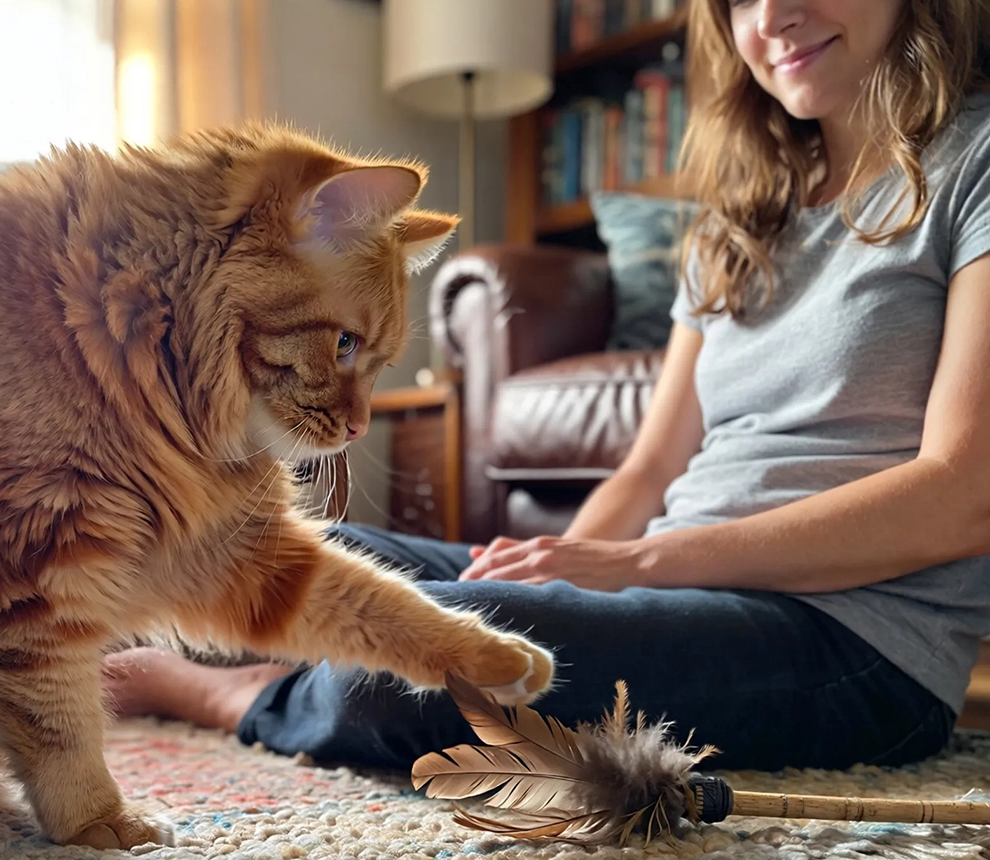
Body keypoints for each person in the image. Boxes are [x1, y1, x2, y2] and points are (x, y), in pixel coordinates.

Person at [102, 0, 990, 774]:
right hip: (680, 588)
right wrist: (567, 572)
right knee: (288, 551)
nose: (773, 17)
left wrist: (633, 565)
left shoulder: (973, 165)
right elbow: (647, 477)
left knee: (439, 651)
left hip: (856, 641)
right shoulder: (737, 222)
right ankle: (300, 672)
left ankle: (234, 698)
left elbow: (964, 496)